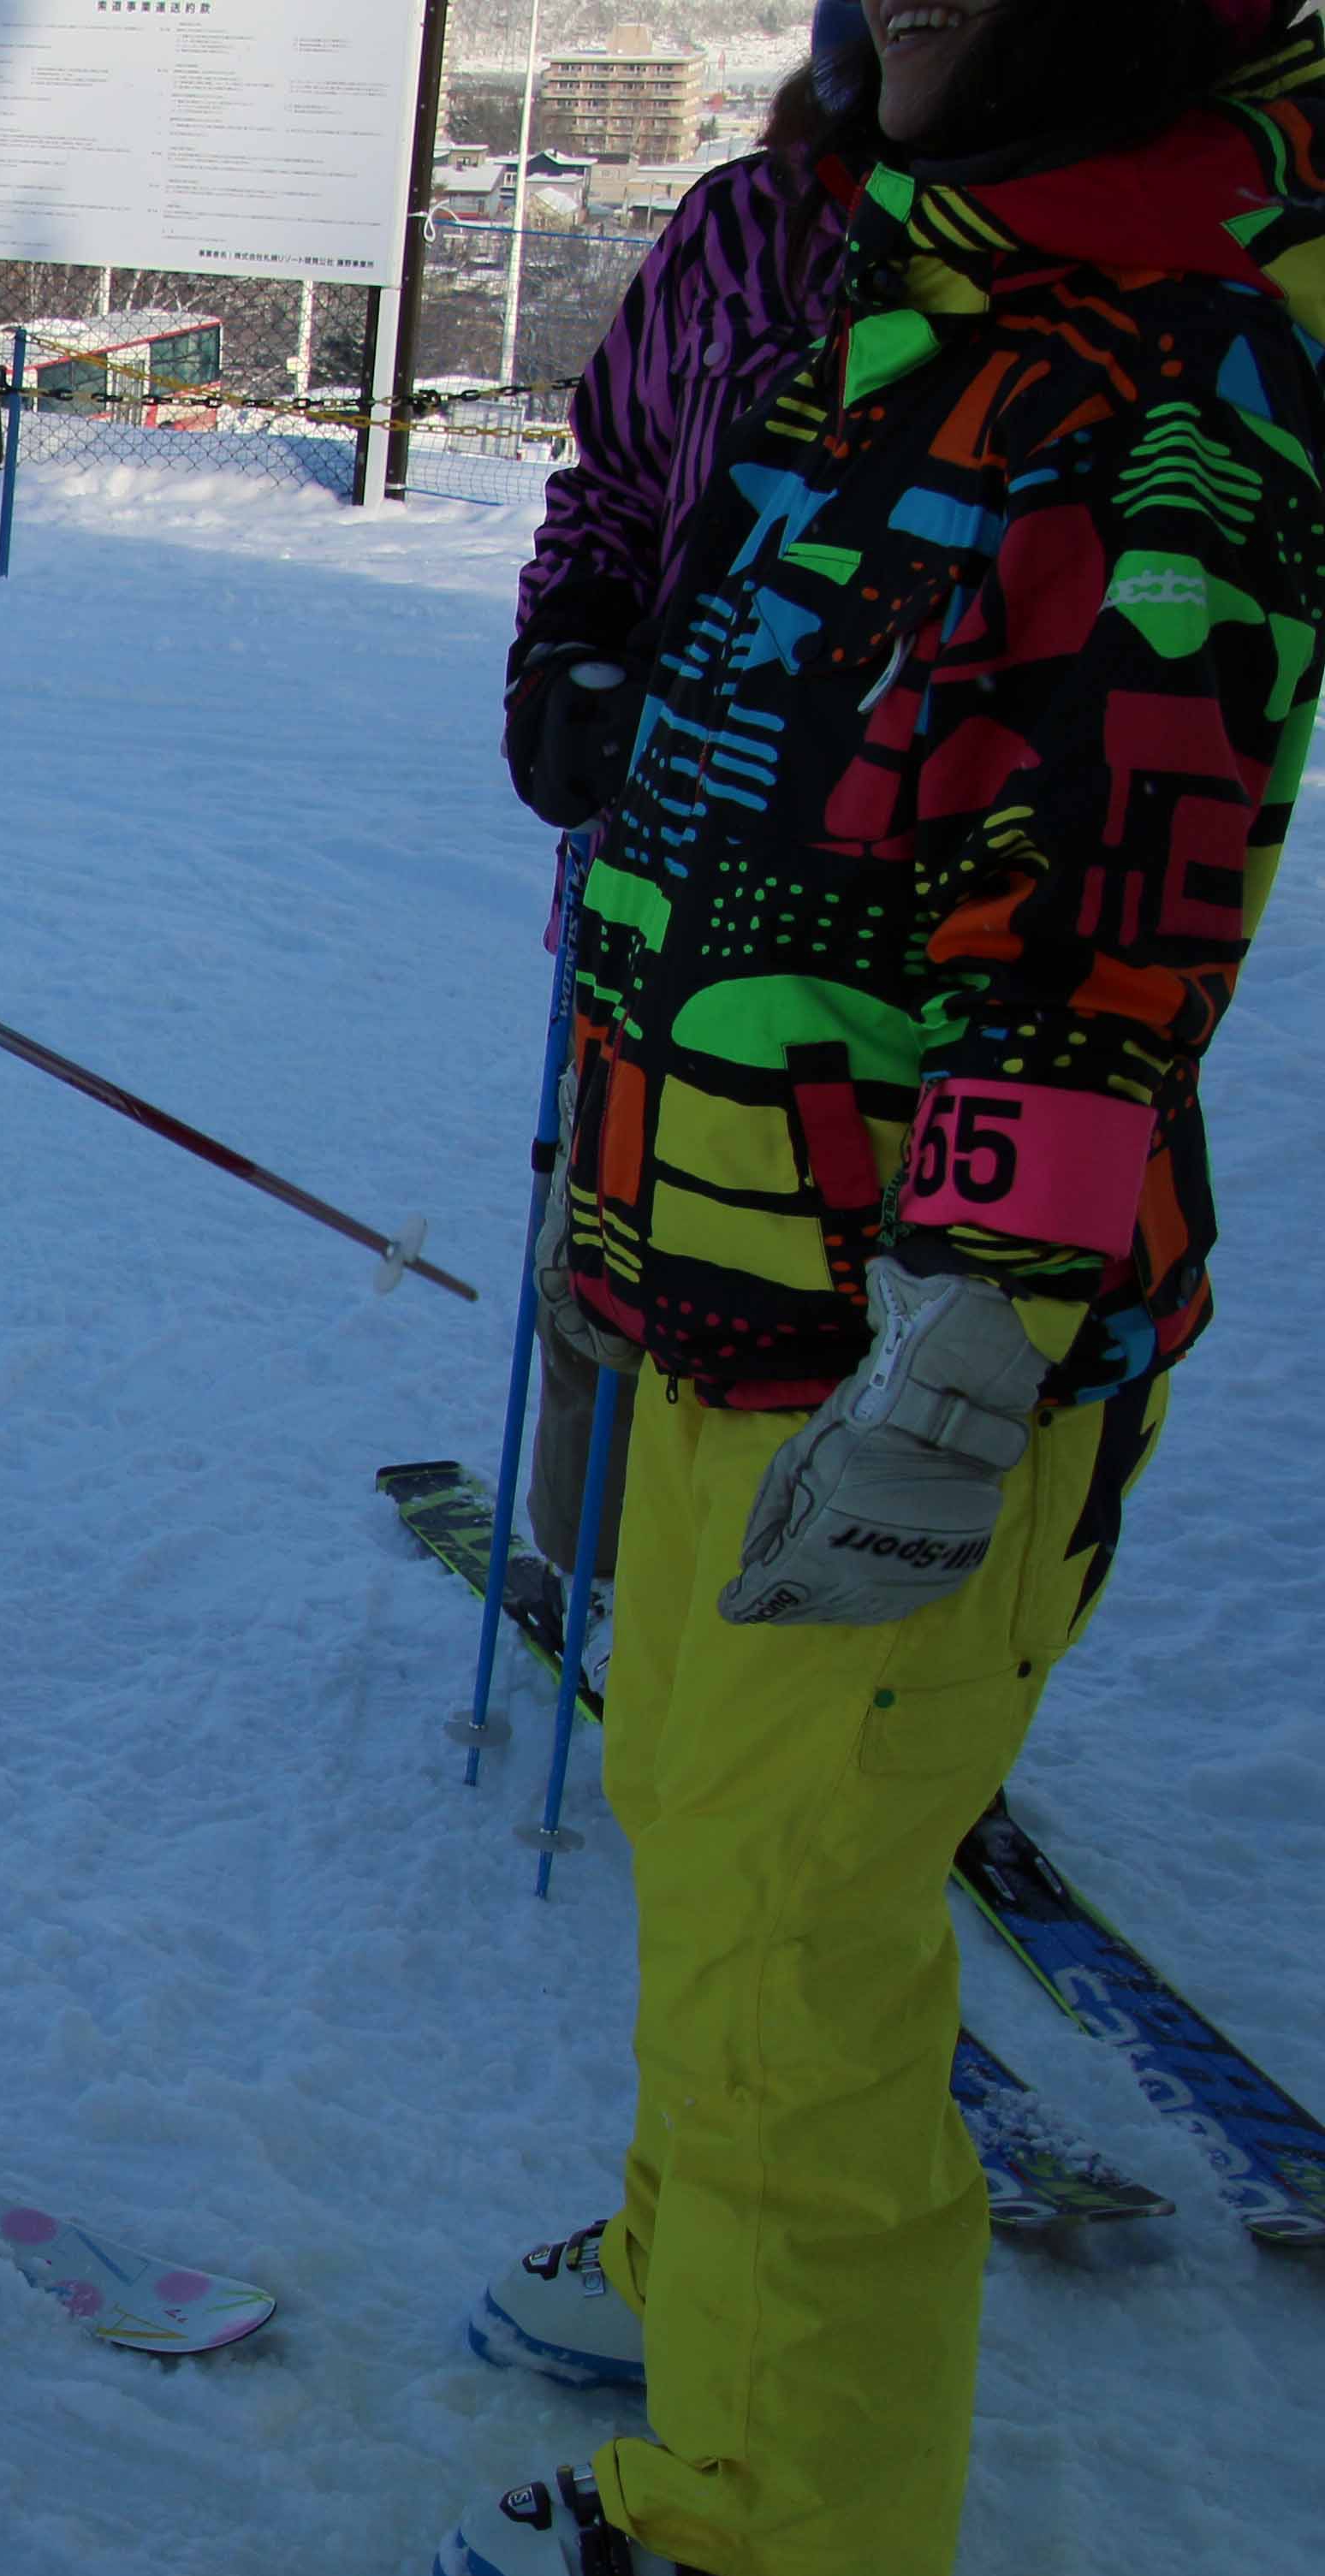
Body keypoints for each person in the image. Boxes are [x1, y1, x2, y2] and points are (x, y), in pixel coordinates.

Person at [437, 0, 1325, 2576]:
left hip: (913, 1341)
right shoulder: (894, 258)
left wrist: (971, 1323)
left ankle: (790, 2532)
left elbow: (1126, 912)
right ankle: (699, 2269)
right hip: (725, 1275)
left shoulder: (1180, 347)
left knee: (799, 1943)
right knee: (698, 1824)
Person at [495, 21, 863, 1595]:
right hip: (654, 854)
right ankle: (592, 1577)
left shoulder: (1081, 267)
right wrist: (568, 641)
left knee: (821, 1271)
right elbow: (615, 476)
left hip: (877, 902)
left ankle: (786, 1620)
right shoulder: (745, 225)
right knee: (604, 1226)